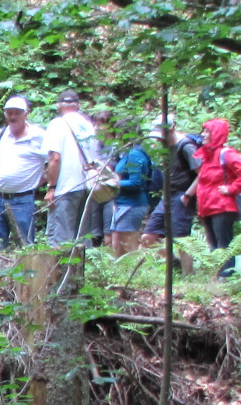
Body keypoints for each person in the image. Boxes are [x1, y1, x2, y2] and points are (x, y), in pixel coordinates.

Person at [0, 96, 49, 251]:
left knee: (25, 245)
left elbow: (54, 162)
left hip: (22, 199)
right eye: (9, 113)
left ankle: (27, 274)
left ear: (26, 113)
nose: (12, 117)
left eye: (17, 113)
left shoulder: (38, 136)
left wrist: (39, 182)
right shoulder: (2, 134)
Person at [141, 120, 203, 272]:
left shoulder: (186, 146)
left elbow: (202, 173)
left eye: (162, 135)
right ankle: (173, 262)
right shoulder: (165, 147)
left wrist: (188, 195)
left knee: (181, 239)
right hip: (167, 196)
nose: (159, 140)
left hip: (182, 196)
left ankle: (188, 274)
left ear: (172, 128)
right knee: (148, 237)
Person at [184, 120, 241, 278]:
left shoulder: (226, 154)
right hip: (207, 207)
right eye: (203, 131)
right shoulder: (206, 155)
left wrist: (232, 188)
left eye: (207, 132)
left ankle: (225, 278)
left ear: (216, 134)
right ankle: (216, 277)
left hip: (223, 206)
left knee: (224, 246)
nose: (203, 134)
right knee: (213, 246)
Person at [42, 90, 99, 246]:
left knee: (61, 238)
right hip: (87, 185)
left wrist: (51, 188)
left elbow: (55, 158)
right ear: (78, 105)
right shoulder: (88, 126)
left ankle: (60, 270)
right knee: (82, 237)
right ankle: (82, 269)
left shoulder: (57, 124)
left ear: (59, 105)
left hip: (65, 187)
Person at [103, 118, 153, 257]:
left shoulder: (135, 154)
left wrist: (113, 182)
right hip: (122, 204)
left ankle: (133, 275)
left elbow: (135, 183)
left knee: (127, 249)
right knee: (117, 247)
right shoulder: (127, 153)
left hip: (132, 205)